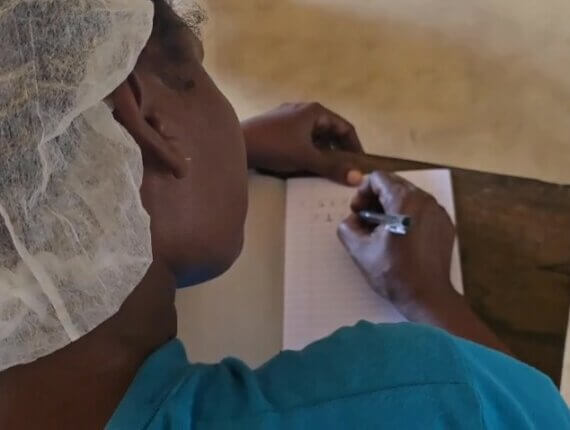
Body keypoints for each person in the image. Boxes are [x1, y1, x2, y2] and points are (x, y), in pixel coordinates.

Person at [0, 0, 568, 428]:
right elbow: (527, 411)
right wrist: (427, 295)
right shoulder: (438, 395)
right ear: (149, 119)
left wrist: (213, 152)